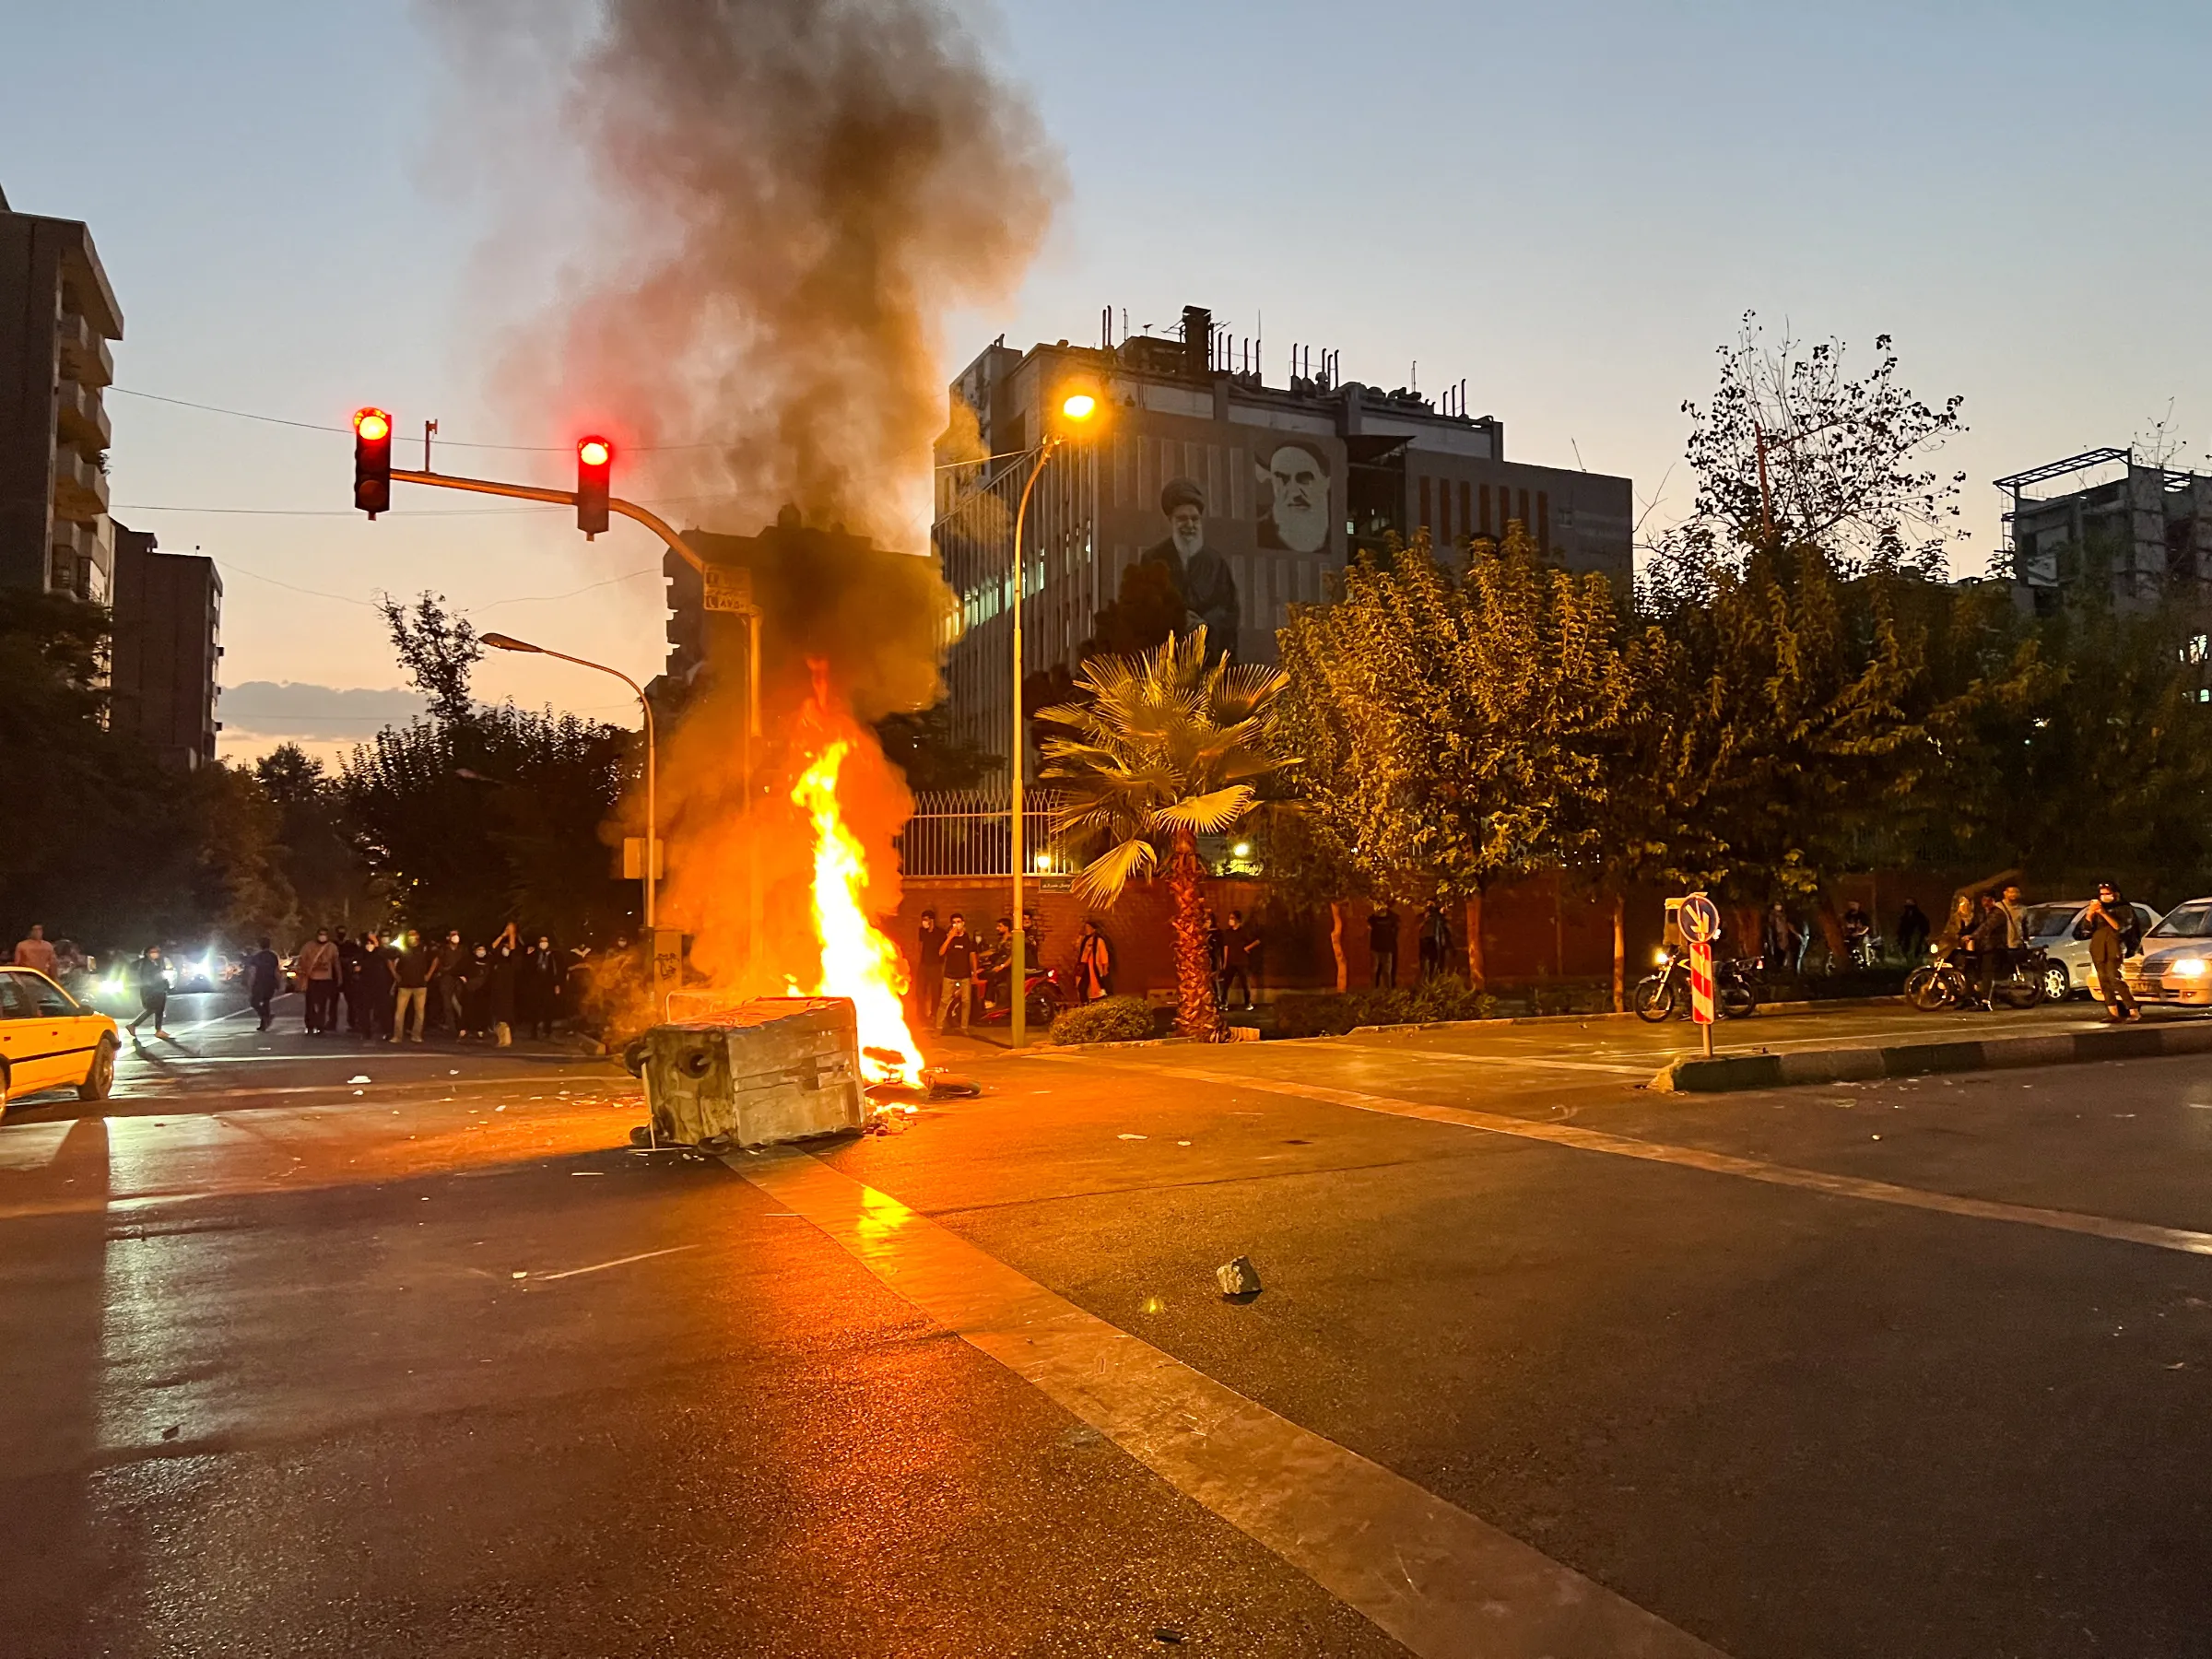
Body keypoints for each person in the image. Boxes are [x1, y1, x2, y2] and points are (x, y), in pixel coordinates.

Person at [1142, 477, 1240, 661]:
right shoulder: (1153, 559)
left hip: (1207, 658)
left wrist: (1204, 625)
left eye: (1194, 519)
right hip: (1164, 661)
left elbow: (1229, 610)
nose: (1190, 525)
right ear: (1171, 521)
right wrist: (1178, 619)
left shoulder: (1216, 563)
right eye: (1182, 519)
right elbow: (1143, 607)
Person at [2079, 881, 2142, 1021]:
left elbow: (2119, 927)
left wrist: (2104, 913)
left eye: (2107, 894)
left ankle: (2133, 1010)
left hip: (2114, 946)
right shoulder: (2097, 909)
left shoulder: (2123, 908)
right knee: (2103, 980)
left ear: (2115, 894)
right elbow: (2085, 930)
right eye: (2102, 894)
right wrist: (2090, 913)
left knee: (2115, 978)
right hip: (2098, 947)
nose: (2104, 896)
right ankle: (2112, 1013)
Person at [1256, 441, 1331, 555]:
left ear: (1326, 482)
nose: (1295, 492)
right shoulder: (1256, 534)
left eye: (1305, 478)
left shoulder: (1341, 537)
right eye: (1282, 479)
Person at [1971, 893, 2013, 1010]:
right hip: (1983, 947)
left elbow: (1986, 927)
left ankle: (1986, 1002)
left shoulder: (1997, 914)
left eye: (1988, 900)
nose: (1985, 902)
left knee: (1987, 973)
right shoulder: (1982, 913)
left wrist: (1973, 936)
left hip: (1994, 947)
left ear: (1993, 900)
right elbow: (1975, 925)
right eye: (1983, 900)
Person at [297, 928, 340, 1034]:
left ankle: (320, 1025)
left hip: (326, 979)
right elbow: (302, 961)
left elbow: (336, 963)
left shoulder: (332, 947)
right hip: (312, 979)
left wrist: (339, 978)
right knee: (310, 1003)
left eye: (325, 935)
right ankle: (310, 1025)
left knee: (322, 1004)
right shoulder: (308, 946)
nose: (322, 936)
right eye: (321, 934)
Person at [521, 935, 565, 1040]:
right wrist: (528, 955)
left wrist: (557, 984)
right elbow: (527, 968)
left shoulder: (553, 955)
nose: (543, 943)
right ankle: (534, 1031)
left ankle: (547, 1031)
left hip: (548, 985)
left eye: (545, 941)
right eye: (541, 941)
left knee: (548, 1008)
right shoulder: (534, 953)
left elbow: (556, 971)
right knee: (535, 1008)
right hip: (536, 985)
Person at [392, 933, 433, 1043]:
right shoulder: (402, 949)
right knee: (399, 1012)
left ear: (418, 937)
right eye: (409, 936)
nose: (411, 938)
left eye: (413, 936)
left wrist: (429, 974)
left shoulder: (424, 949)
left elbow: (436, 959)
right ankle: (397, 1036)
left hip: (420, 985)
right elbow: (390, 960)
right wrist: (395, 975)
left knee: (419, 1012)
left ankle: (416, 1035)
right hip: (404, 985)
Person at [938, 913, 975, 1032]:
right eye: (954, 922)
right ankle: (938, 1027)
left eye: (959, 921)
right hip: (950, 975)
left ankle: (964, 1027)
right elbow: (941, 952)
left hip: (965, 975)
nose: (957, 924)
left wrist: (974, 973)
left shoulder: (968, 939)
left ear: (963, 923)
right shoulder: (948, 938)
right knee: (944, 1001)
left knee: (966, 1002)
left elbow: (972, 955)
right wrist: (950, 937)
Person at [358, 932, 396, 1041]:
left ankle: (387, 1031)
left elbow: (387, 957)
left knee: (383, 1010)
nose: (371, 944)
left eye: (373, 941)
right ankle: (366, 1032)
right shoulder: (361, 953)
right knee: (364, 1010)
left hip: (380, 986)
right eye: (369, 941)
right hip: (365, 986)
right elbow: (355, 965)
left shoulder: (381, 953)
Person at [125, 945, 171, 1041]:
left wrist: (165, 984)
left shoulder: (156, 962)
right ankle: (133, 1025)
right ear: (147, 953)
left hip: (159, 989)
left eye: (157, 951)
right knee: (152, 1009)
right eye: (153, 952)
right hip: (152, 990)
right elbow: (148, 978)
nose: (156, 953)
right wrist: (155, 984)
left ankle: (158, 1030)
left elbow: (160, 975)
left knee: (159, 1011)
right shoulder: (146, 964)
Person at [430, 930, 467, 1036]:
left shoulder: (462, 949)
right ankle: (452, 1028)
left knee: (459, 1003)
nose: (455, 937)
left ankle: (463, 1025)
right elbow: (438, 963)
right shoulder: (443, 950)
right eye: (453, 935)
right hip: (446, 979)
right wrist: (444, 970)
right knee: (447, 1004)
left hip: (459, 979)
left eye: (457, 935)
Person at [1218, 910, 1255, 1011]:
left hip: (1242, 961)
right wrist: (1225, 962)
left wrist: (1248, 948)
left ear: (1237, 920)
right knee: (1226, 984)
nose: (1230, 920)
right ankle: (1224, 1003)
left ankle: (1248, 1003)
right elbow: (1226, 947)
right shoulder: (1228, 932)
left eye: (1232, 918)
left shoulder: (1244, 931)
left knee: (1245, 983)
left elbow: (1256, 941)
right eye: (1230, 918)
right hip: (1231, 961)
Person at [486, 937, 518, 1048]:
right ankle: (502, 1039)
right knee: (498, 1016)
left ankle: (506, 1039)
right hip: (497, 992)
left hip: (508, 993)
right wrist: (503, 935)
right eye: (504, 948)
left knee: (505, 1017)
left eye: (508, 948)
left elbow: (514, 951)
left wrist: (511, 934)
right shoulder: (496, 962)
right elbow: (492, 948)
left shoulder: (511, 963)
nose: (506, 950)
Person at [244, 936, 281, 1030]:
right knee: (266, 1001)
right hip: (270, 982)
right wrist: (278, 982)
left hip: (259, 982)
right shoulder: (273, 956)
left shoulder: (257, 957)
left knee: (254, 1002)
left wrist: (250, 984)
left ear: (260, 945)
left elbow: (253, 971)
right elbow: (277, 971)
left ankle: (265, 1016)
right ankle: (264, 1022)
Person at [913, 910, 942, 1025]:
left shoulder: (940, 933)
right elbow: (920, 946)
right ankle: (921, 1015)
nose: (924, 922)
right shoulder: (922, 931)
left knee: (935, 992)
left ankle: (933, 1015)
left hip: (935, 966)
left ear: (932, 920)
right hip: (924, 965)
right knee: (921, 991)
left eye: (926, 919)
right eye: (923, 919)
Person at [1075, 919, 1114, 1003]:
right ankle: (1085, 1004)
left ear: (1094, 929)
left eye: (1088, 927)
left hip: (1095, 967)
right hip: (1086, 967)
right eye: (1086, 928)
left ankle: (1105, 1000)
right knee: (1082, 987)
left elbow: (1104, 956)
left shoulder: (1099, 941)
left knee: (1100, 986)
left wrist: (1105, 968)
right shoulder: (1085, 940)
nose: (1087, 930)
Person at [1369, 902, 1400, 988]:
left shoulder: (1392, 918)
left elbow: (1396, 929)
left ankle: (1388, 990)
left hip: (1387, 947)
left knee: (1387, 970)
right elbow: (1368, 925)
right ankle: (1374, 989)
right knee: (1374, 970)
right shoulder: (1373, 919)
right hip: (1376, 948)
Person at [1896, 899, 1930, 963]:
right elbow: (1901, 927)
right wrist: (1900, 937)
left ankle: (1916, 961)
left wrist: (1924, 935)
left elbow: (1924, 926)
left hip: (1917, 937)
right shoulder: (1905, 917)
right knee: (1907, 949)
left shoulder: (1920, 917)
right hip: (1907, 937)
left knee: (1917, 950)